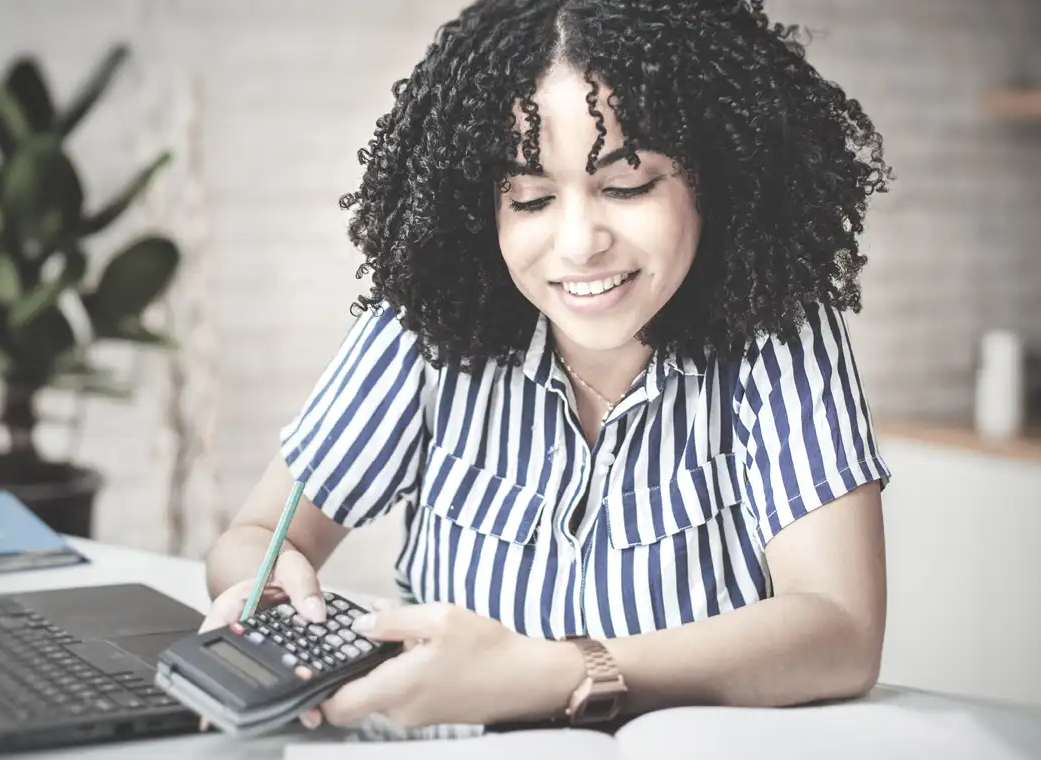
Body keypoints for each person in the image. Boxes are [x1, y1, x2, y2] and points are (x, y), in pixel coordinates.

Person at [203, 0, 894, 734]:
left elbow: (839, 630)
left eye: (627, 185)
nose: (577, 243)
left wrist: (558, 674)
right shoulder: (432, 327)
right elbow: (257, 535)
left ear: (718, 175)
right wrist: (265, 587)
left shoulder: (775, 333)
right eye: (530, 198)